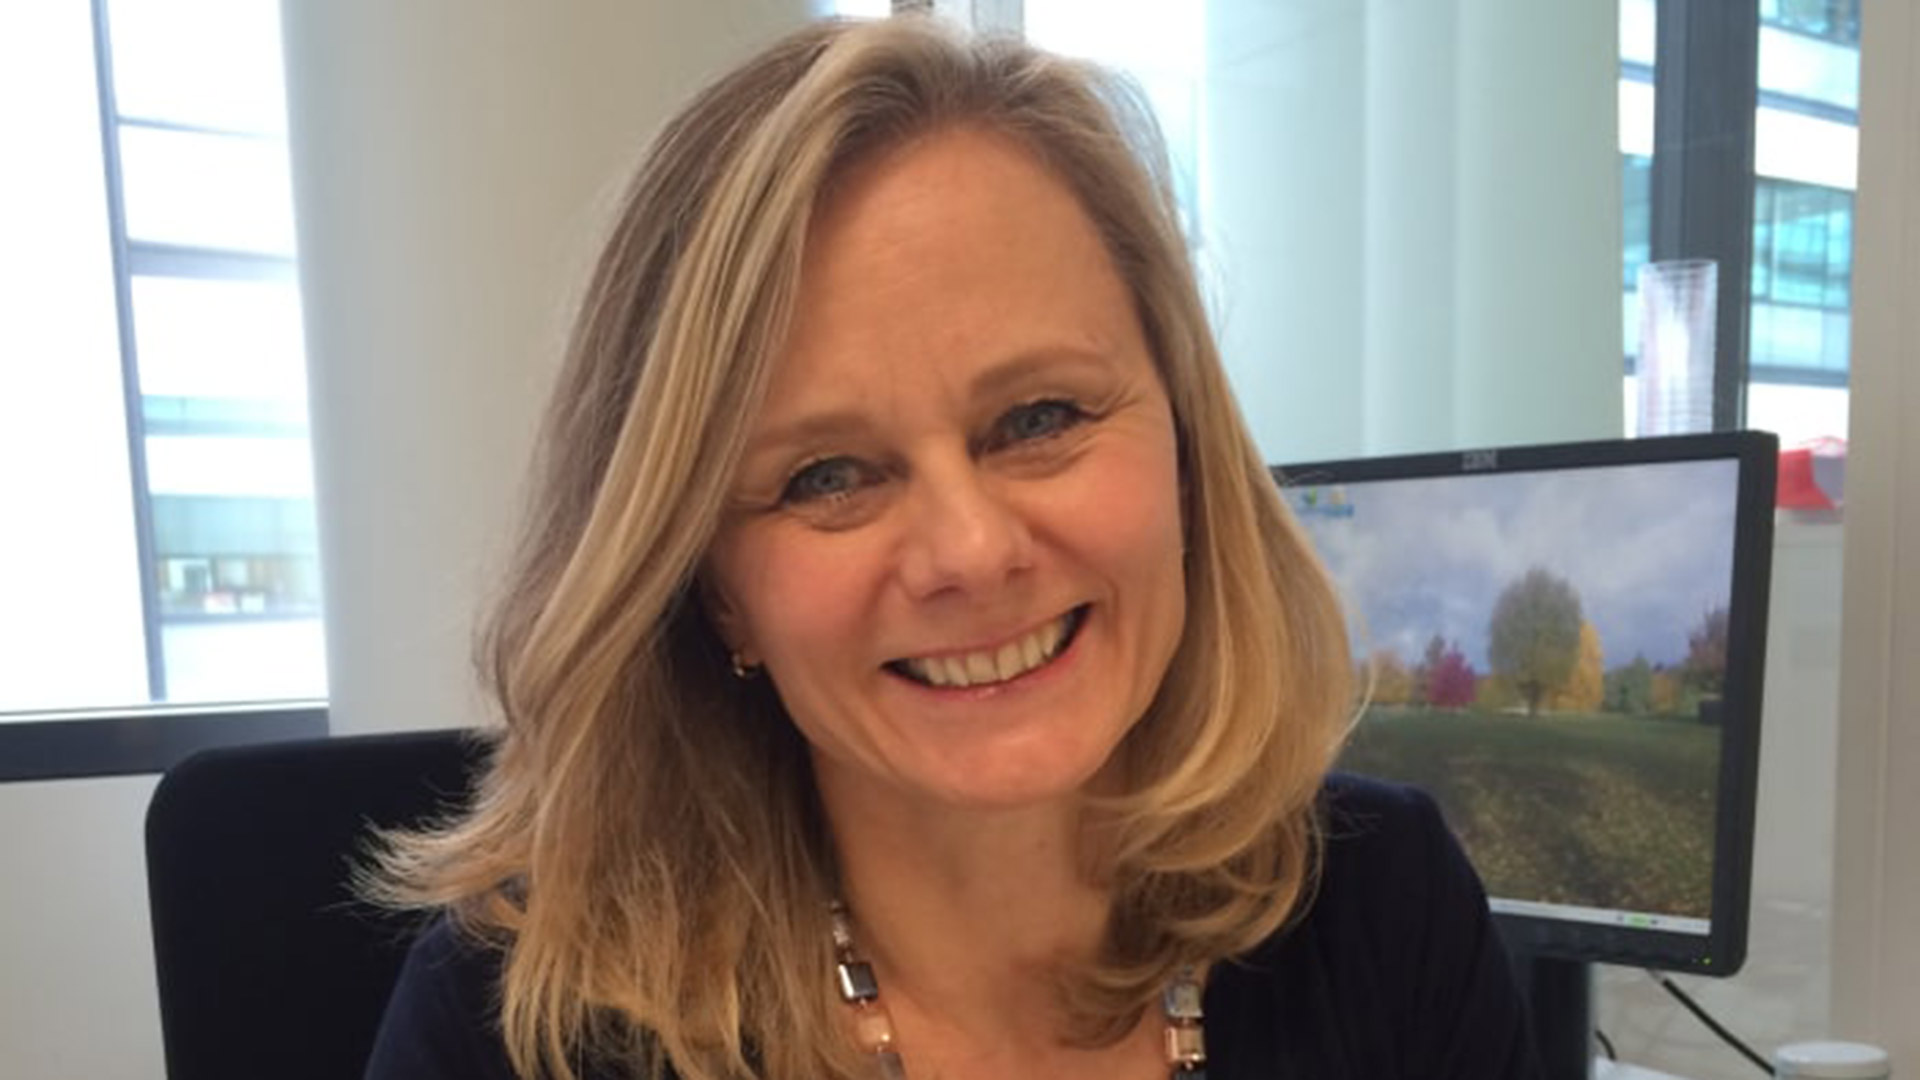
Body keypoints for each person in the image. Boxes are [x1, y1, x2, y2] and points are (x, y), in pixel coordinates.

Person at [364, 15, 1540, 1080]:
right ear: (714, 592)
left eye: (1040, 419)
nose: (971, 552)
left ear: (1185, 448)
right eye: (827, 476)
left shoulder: (1388, 910)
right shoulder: (520, 1028)